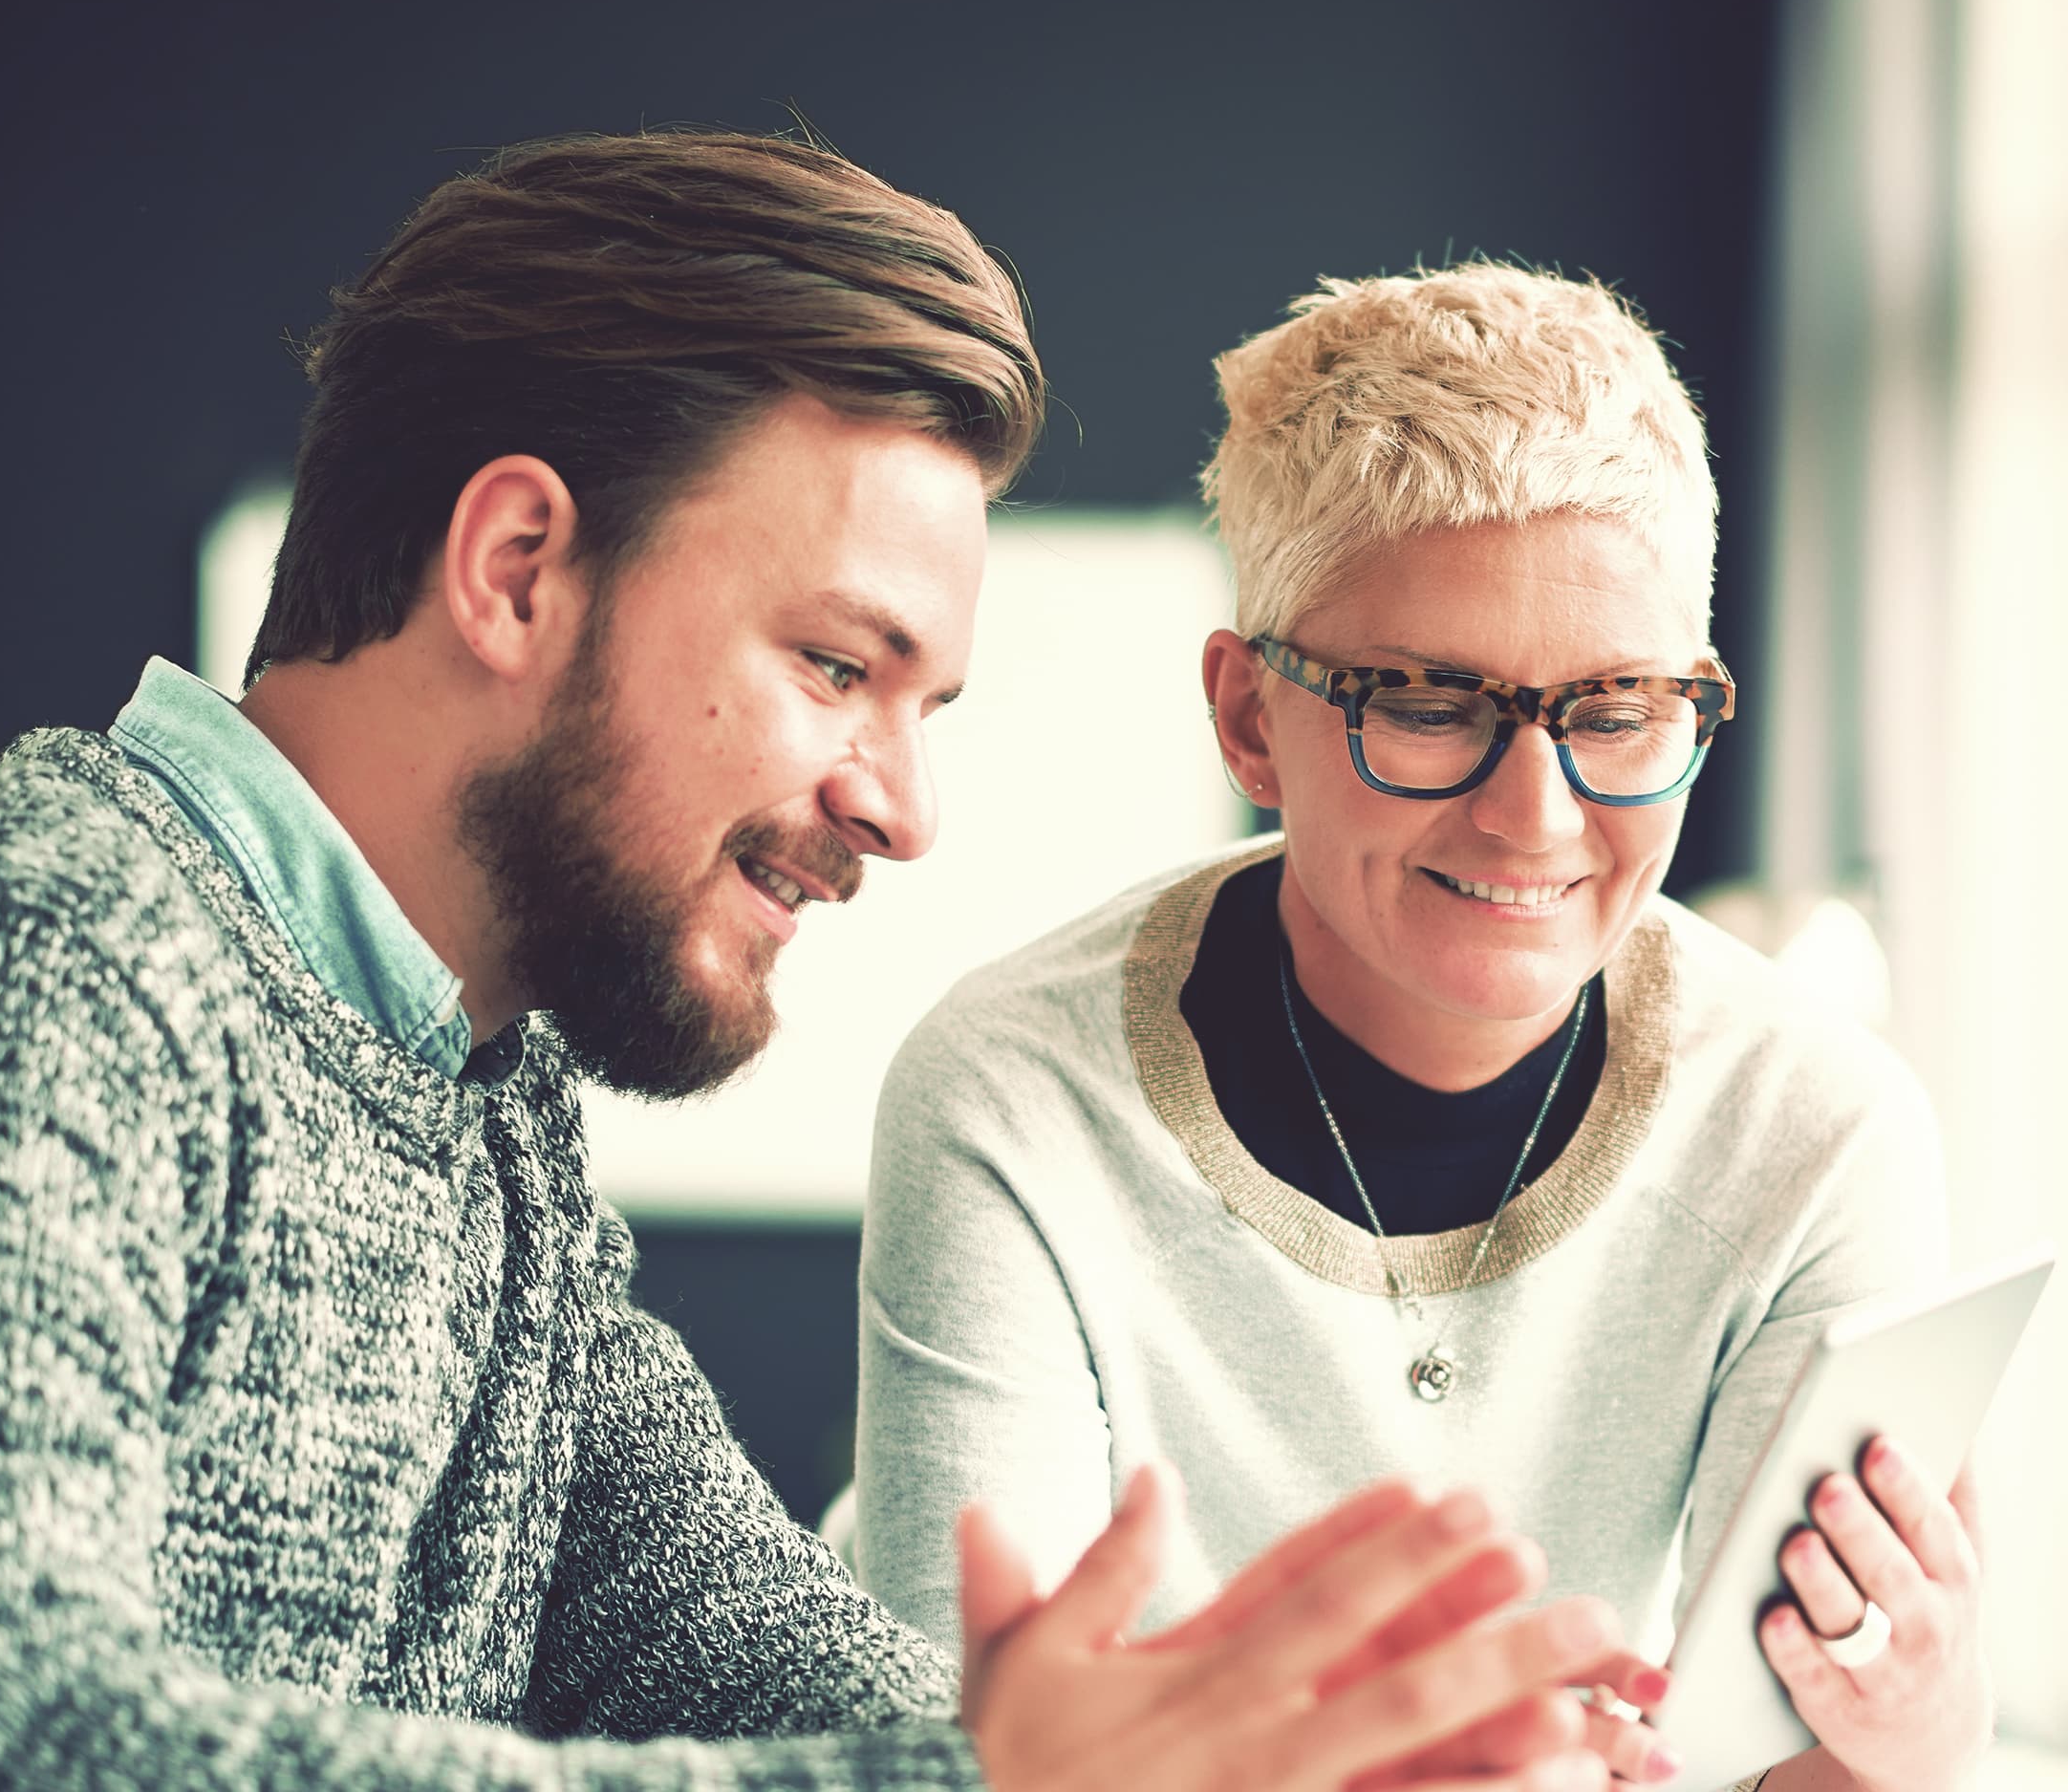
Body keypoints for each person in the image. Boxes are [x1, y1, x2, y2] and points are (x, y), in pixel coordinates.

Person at [0, 133, 1645, 1792]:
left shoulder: (476, 1127)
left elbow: (766, 1661)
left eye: (926, 705)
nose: (901, 805)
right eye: (833, 664)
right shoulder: (13, 964)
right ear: (516, 564)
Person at [852, 264, 1995, 1792]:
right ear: (1251, 719)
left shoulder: (1821, 1126)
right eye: (1429, 703)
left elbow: (1783, 1758)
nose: (1537, 817)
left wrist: (1916, 1734)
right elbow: (976, 1757)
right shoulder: (1007, 1100)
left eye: (1615, 711)